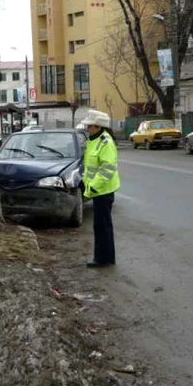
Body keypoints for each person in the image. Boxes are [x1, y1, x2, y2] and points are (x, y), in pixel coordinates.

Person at [81, 110, 121, 268]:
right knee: (102, 225)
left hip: (102, 191)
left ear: (98, 126)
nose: (87, 128)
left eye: (89, 125)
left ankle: (103, 259)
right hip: (98, 190)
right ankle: (106, 257)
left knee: (102, 226)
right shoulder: (94, 139)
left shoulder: (105, 142)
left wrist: (93, 187)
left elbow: (107, 169)